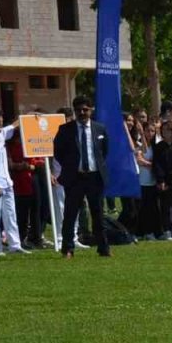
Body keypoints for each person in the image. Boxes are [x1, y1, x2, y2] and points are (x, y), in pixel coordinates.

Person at [52, 96, 110, 258]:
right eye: (78, 110)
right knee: (70, 214)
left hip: (94, 177)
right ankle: (68, 249)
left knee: (98, 214)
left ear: (91, 110)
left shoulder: (100, 129)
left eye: (85, 109)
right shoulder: (65, 130)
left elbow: (104, 151)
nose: (82, 113)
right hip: (75, 177)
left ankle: (103, 248)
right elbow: (58, 152)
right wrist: (70, 166)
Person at [0, 107, 27, 256]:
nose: (2, 119)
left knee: (10, 214)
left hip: (7, 182)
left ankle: (15, 245)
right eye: (0, 117)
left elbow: (15, 125)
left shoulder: (0, 133)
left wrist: (30, 116)